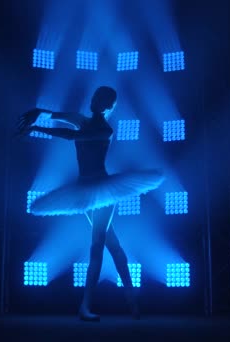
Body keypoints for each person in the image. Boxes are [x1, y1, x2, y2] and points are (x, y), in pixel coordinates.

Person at [17, 86, 164, 321]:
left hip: (102, 191)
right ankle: (132, 300)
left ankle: (85, 307)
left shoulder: (105, 130)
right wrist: (38, 112)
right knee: (113, 247)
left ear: (108, 107)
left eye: (100, 99)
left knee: (97, 246)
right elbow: (57, 116)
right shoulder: (81, 120)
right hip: (85, 190)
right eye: (95, 96)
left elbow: (73, 136)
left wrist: (35, 128)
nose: (94, 100)